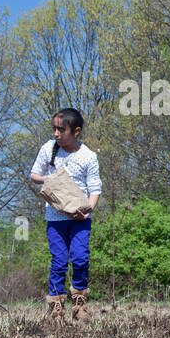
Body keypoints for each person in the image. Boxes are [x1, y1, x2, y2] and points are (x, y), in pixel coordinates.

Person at [29, 108, 101, 320]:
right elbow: (34, 174)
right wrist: (50, 180)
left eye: (62, 129)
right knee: (59, 260)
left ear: (76, 131)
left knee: (80, 258)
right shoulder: (48, 149)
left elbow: (95, 188)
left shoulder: (88, 156)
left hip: (80, 219)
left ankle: (79, 302)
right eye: (54, 128)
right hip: (55, 217)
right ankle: (55, 306)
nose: (56, 134)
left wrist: (88, 212)